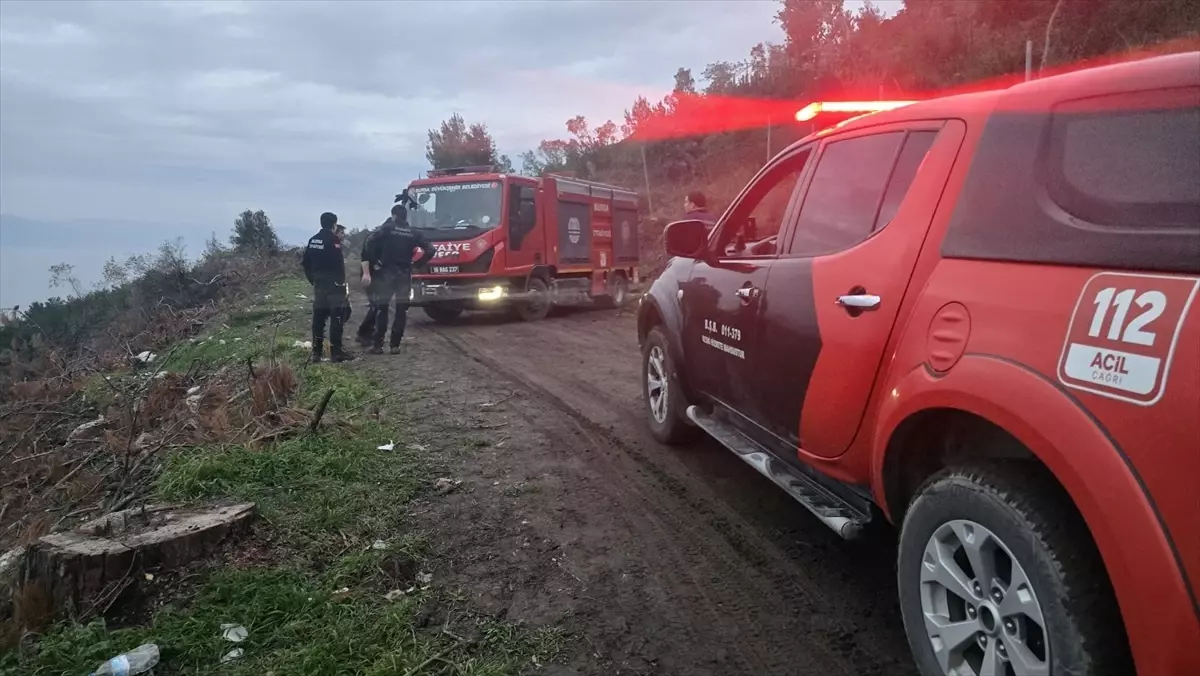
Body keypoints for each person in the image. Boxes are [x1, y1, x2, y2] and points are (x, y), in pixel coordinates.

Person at [363, 203, 436, 354]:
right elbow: (431, 249)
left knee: (382, 308)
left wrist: (375, 261)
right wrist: (417, 264)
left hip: (386, 272)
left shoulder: (388, 229)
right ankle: (395, 345)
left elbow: (369, 240)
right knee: (401, 310)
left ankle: (378, 345)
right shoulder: (413, 233)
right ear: (405, 216)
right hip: (404, 273)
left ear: (394, 216)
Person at [301, 212, 354, 363]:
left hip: (319, 285)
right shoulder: (333, 240)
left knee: (318, 319)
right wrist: (342, 285)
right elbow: (338, 264)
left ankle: (316, 353)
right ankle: (336, 353)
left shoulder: (313, 240)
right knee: (336, 319)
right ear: (334, 224)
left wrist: (313, 280)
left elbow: (306, 263)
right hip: (334, 286)